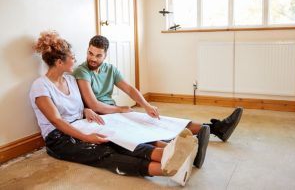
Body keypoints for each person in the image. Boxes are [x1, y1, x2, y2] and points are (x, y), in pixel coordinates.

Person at [29, 31, 199, 185]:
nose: (75, 59)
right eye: (71, 56)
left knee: (118, 139)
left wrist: (85, 110)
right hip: (58, 138)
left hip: (80, 125)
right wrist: (87, 138)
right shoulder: (41, 86)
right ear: (60, 62)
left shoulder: (71, 81)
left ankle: (168, 155)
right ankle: (165, 168)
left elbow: (78, 107)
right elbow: (57, 121)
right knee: (104, 153)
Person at [73, 35, 243, 169]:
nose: (93, 58)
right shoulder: (82, 71)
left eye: (98, 55)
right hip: (99, 116)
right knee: (143, 130)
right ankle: (192, 146)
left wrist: (146, 106)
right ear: (87, 50)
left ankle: (213, 128)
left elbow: (130, 90)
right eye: (90, 53)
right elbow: (93, 105)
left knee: (154, 119)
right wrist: (120, 109)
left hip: (115, 112)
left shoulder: (110, 69)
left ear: (105, 55)